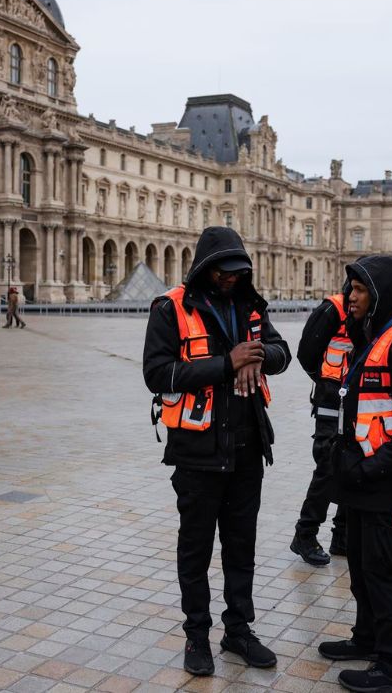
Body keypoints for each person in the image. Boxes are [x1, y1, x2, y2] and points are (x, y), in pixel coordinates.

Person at [143, 226, 291, 677]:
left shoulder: (250, 305)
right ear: (205, 268)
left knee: (241, 546)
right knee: (196, 548)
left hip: (247, 448)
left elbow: (283, 352)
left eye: (239, 272)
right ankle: (196, 636)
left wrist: (260, 354)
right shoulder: (171, 308)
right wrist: (227, 365)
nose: (231, 279)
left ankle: (239, 630)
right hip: (197, 451)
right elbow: (157, 373)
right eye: (224, 272)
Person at [319, 255, 392, 693]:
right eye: (349, 287)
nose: (350, 296)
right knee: (363, 570)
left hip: (387, 484)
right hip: (362, 482)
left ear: (381, 295)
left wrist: (370, 467)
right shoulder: (371, 338)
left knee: (386, 575)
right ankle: (367, 638)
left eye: (359, 289)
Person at [292, 290, 351, 566]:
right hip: (331, 400)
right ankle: (305, 534)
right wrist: (327, 383)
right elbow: (306, 353)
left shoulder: (374, 309)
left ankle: (342, 536)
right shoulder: (333, 309)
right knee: (327, 467)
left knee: (353, 466)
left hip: (356, 403)